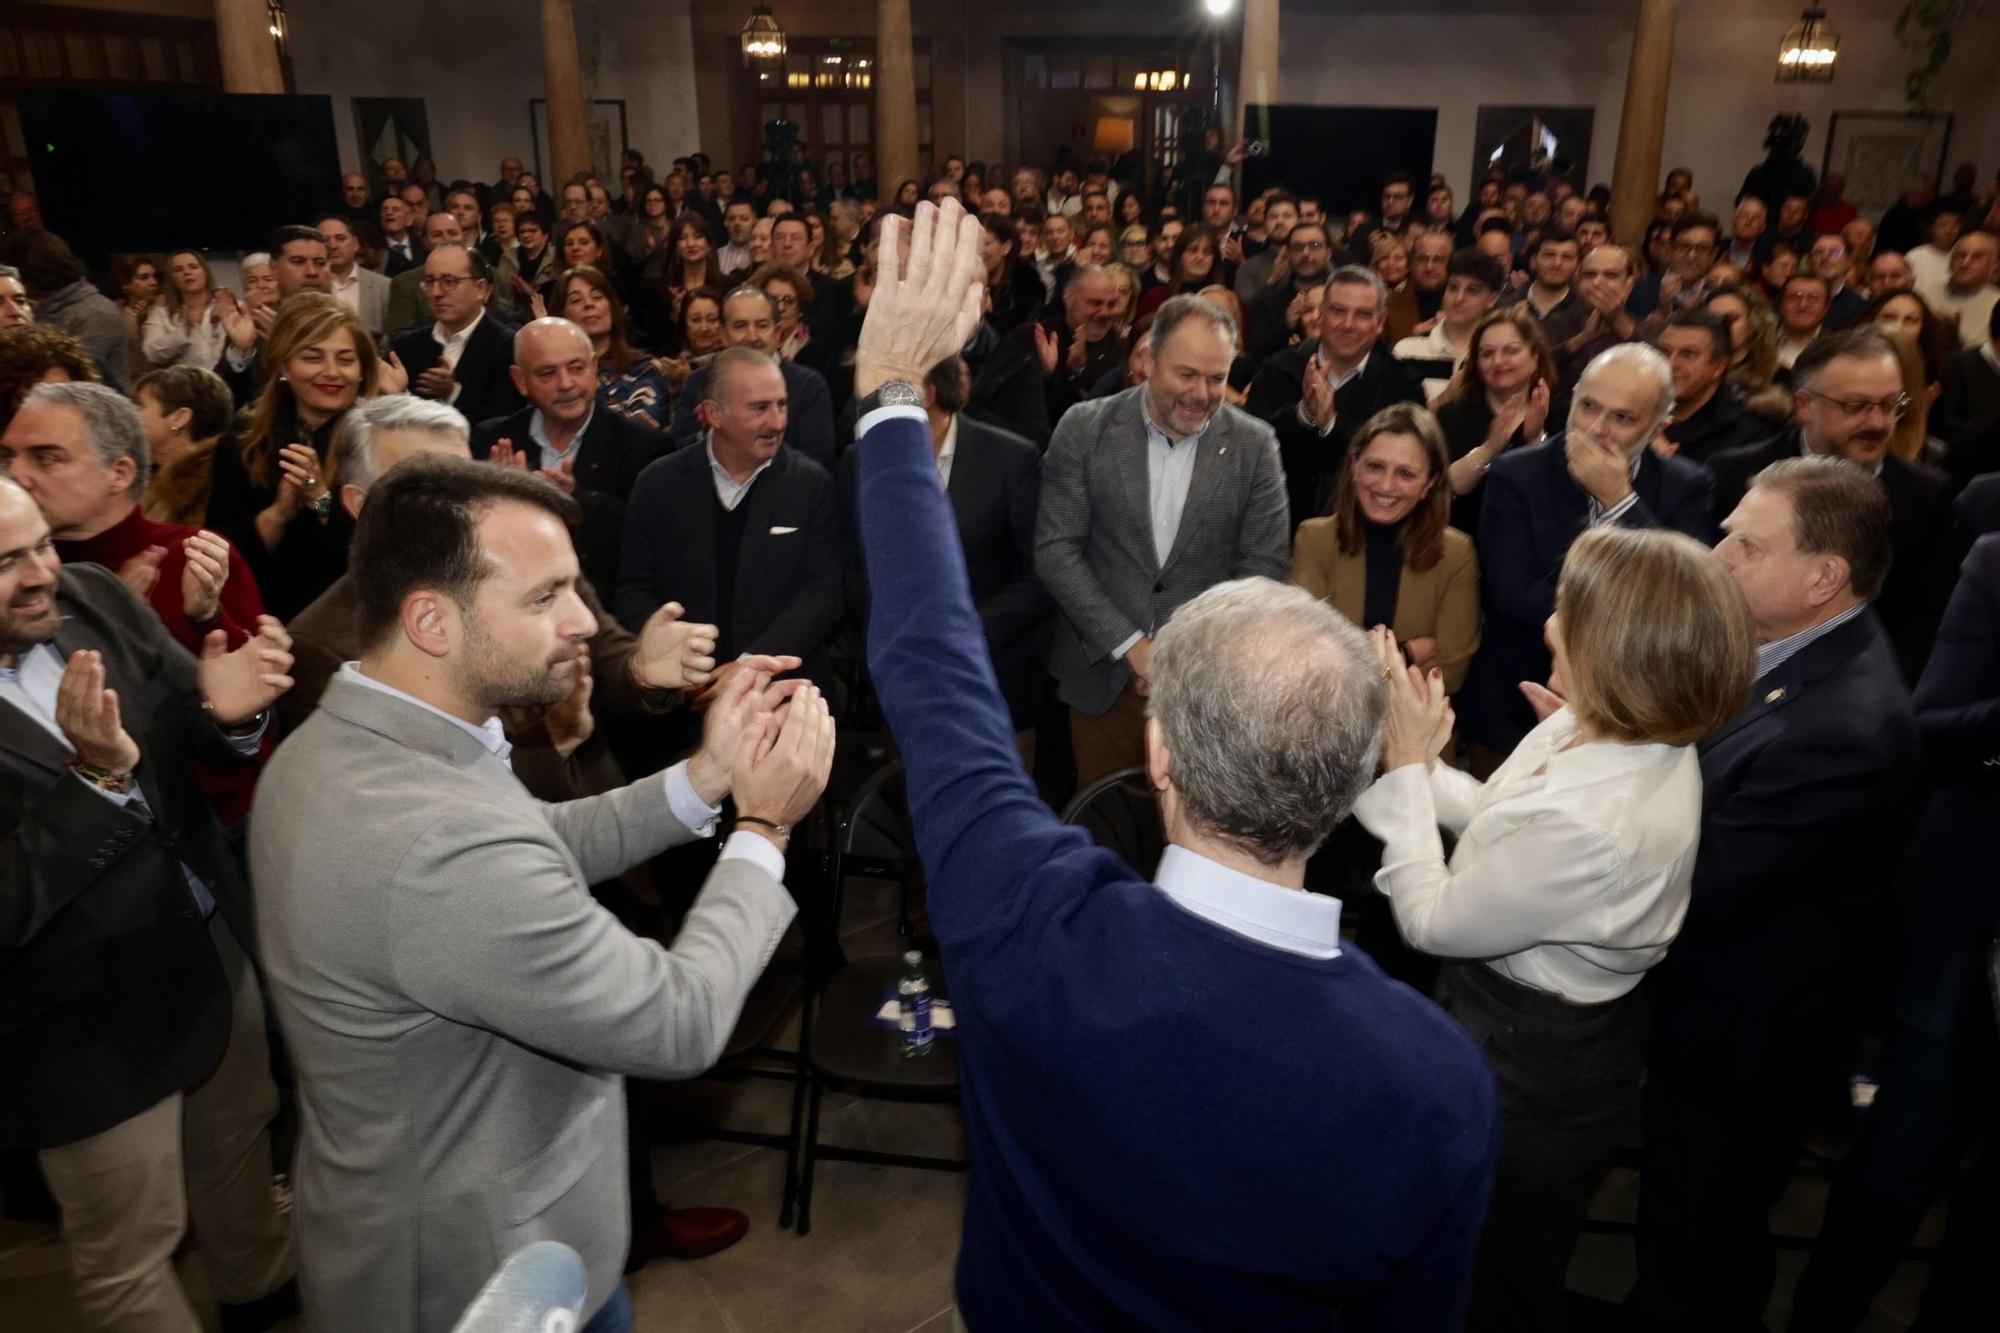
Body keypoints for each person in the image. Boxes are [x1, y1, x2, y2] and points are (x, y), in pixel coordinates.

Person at [852, 197, 1498, 1333]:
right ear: (1355, 771)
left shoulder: (1026, 922)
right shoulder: (1433, 1081)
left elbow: (932, 669)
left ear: (1159, 754)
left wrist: (891, 401)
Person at [253, 451, 831, 1333]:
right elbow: (676, 1021)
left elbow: (530, 844)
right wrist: (764, 830)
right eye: (544, 596)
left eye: (576, 586)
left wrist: (705, 778)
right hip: (487, 1282)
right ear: (431, 621)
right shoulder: (434, 838)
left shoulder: (358, 740)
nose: (581, 621)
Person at [1357, 523, 1753, 1333]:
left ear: (1618, 650)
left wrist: (1405, 771)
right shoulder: (1601, 719)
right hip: (1523, 1025)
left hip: (1532, 1065)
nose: (1547, 623)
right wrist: (1428, 769)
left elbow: (1431, 918)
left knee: (1495, 1280)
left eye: (1568, 611)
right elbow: (1504, 820)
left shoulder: (1596, 821)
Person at [0, 453, 298, 1331]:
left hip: (207, 953)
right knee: (133, 1250)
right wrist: (93, 782)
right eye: (9, 562)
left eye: (42, 544)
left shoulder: (93, 594)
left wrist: (231, 714)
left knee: (239, 1148)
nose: (43, 573)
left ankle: (264, 1293)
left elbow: (188, 718)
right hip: (78, 1026)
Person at [1636, 457, 1919, 1331]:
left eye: (1746, 544)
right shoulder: (1788, 650)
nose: (1718, 553)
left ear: (1824, 577)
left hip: (1745, 1041)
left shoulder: (1843, 728)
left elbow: (1701, 877)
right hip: (1717, 1014)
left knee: (1703, 1239)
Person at [1789, 532, 2000, 1330]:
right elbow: (1932, 728)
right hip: (1970, 912)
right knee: (1911, 1148)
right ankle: (1825, 1313)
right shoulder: (1993, 560)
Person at [1036, 293, 1292, 785]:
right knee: (1106, 840)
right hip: (1101, 684)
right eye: (1187, 374)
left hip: (1205, 691)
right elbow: (1056, 551)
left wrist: (1181, 659)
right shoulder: (1084, 427)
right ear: (1149, 361)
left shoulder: (1256, 445)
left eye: (1217, 378)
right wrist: (1131, 646)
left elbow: (1264, 570)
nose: (1202, 393)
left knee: (1193, 850)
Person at [1458, 344, 1716, 766]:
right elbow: (1510, 595)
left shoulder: (1687, 485)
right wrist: (1625, 611)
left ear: (1657, 424)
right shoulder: (1517, 473)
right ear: (1573, 397)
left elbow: (1684, 602)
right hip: (1515, 707)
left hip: (1632, 719)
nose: (1596, 429)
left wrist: (1619, 501)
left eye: (1623, 418)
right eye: (1588, 406)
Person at [1710, 327, 1957, 684]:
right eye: (1856, 406)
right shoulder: (1734, 474)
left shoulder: (1927, 493)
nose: (1877, 423)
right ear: (1804, 406)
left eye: (1890, 405)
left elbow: (1927, 622)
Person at [839, 354, 1047, 747]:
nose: (863, 406)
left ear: (926, 394)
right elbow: (853, 566)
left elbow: (1038, 575)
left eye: (877, 391)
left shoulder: (1011, 458)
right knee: (905, 802)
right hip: (901, 677)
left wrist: (960, 632)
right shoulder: (859, 460)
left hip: (996, 676)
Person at [616, 345, 843, 695]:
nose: (777, 422)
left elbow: (822, 595)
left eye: (782, 405)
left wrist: (751, 664)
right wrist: (675, 655)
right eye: (760, 408)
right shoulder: (657, 484)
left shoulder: (812, 485)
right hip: (677, 702)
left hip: (782, 695)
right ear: (714, 414)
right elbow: (634, 588)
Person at [207, 293, 376, 620]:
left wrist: (321, 499)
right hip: (263, 620)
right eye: (313, 357)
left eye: (345, 359)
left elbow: (384, 551)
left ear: (361, 370)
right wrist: (277, 516)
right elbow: (217, 552)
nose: (331, 372)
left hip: (353, 623)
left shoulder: (381, 441)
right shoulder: (242, 444)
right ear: (284, 366)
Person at [1291, 401, 1481, 692]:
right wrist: (1408, 653)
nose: (1386, 485)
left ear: (1430, 483)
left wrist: (1368, 671)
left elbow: (1450, 672)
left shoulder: (1456, 554)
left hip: (1417, 728)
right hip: (1327, 726)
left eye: (1406, 474)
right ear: (1355, 465)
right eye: (1376, 466)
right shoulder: (1314, 540)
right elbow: (1308, 655)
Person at [470, 317, 664, 593]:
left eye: (576, 368)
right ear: (520, 380)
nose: (566, 383)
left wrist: (577, 502)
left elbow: (647, 539)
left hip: (603, 607)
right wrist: (497, 499)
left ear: (594, 367)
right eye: (547, 373)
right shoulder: (493, 440)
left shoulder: (641, 445)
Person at [1244, 266, 1426, 532]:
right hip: (1279, 529)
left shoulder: (1403, 384)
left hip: (1366, 535)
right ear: (1322, 315)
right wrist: (1303, 415)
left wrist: (1332, 425)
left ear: (1379, 322)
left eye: (1362, 315)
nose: (1348, 324)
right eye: (1338, 311)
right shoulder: (1277, 370)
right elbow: (1251, 451)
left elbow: (1405, 466)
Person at [667, 287, 835, 468]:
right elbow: (680, 457)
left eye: (762, 325)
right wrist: (709, 438)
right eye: (740, 326)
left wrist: (732, 436)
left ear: (778, 333)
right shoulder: (698, 383)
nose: (752, 336)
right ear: (723, 334)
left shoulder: (808, 386)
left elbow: (817, 463)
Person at [1431, 306, 1557, 538]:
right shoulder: (1453, 415)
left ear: (1535, 356)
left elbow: (1557, 494)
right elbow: (1442, 490)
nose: (1498, 361)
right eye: (1487, 353)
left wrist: (1535, 440)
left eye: (1511, 351)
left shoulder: (1560, 412)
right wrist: (1489, 449)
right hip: (1463, 542)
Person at [389, 243, 525, 428]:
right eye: (430, 282)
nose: (436, 293)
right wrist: (397, 394)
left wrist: (453, 393)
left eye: (449, 281)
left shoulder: (509, 346)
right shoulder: (407, 345)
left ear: (481, 289)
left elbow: (509, 422)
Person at [0, 228, 128, 390]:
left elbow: (75, 385)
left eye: (20, 301)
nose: (15, 311)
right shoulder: (44, 309)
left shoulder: (96, 315)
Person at [553, 265, 668, 432]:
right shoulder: (554, 377)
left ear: (612, 309)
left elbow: (640, 434)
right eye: (576, 300)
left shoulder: (645, 369)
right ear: (560, 316)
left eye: (597, 297)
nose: (589, 304)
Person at [1656, 309, 1770, 463]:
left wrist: (1663, 463)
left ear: (1719, 366)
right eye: (1664, 351)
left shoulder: (1750, 434)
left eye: (1688, 354)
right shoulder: (1631, 410)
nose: (1671, 363)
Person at [1393, 249, 1507, 401]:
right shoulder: (1407, 350)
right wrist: (1445, 398)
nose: (1459, 298)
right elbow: (1396, 418)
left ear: (1492, 299)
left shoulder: (1499, 357)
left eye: (1472, 291)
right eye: (1453, 287)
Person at [135, 364, 236, 526]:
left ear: (179, 418)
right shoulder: (140, 477)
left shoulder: (212, 493)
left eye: (140, 406)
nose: (131, 414)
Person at [141, 249, 227, 370]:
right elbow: (151, 354)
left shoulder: (227, 306)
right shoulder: (161, 313)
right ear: (171, 279)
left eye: (193, 267)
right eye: (178, 270)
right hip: (183, 385)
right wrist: (183, 332)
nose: (187, 272)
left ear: (205, 272)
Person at [316, 214, 390, 337]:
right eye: (325, 240)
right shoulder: (308, 286)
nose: (333, 246)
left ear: (355, 244)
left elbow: (391, 334)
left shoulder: (384, 286)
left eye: (340, 238)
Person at [111, 252, 161, 374]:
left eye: (154, 276)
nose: (153, 282)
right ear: (125, 284)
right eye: (144, 278)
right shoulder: (116, 313)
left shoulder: (164, 304)